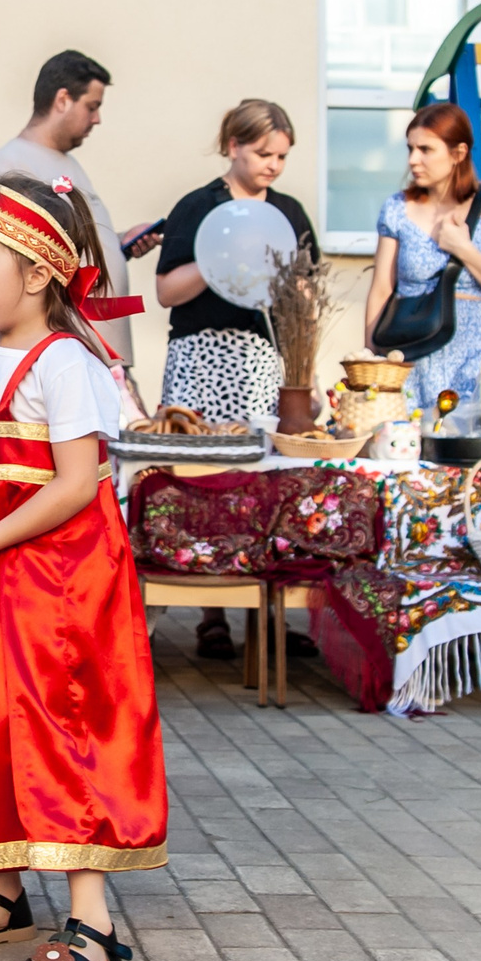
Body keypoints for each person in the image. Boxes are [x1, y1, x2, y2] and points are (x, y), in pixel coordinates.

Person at [0, 173, 165, 961]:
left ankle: (94, 918)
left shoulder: (66, 362)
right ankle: (3, 891)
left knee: (64, 726)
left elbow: (76, 481)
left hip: (61, 585)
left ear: (38, 273)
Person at [152, 99, 318, 659]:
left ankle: (267, 612)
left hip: (262, 359)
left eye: (282, 156)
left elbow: (307, 297)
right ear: (233, 147)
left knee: (263, 481)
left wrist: (303, 369)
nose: (273, 165)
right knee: (202, 479)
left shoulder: (289, 212)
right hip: (201, 356)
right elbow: (166, 292)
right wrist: (217, 256)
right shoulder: (197, 207)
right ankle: (212, 612)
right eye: (264, 153)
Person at [0, 50, 156, 374]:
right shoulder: (10, 164)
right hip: (63, 356)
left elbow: (68, 242)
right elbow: (6, 262)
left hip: (102, 351)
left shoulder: (67, 162)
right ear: (62, 99)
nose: (97, 119)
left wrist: (117, 243)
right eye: (92, 106)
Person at [364, 103, 481, 410]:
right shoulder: (396, 209)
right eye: (410, 149)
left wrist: (464, 250)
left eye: (426, 149)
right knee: (402, 450)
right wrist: (371, 368)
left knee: (472, 452)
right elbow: (381, 290)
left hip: (475, 364)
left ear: (458, 153)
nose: (413, 160)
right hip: (409, 361)